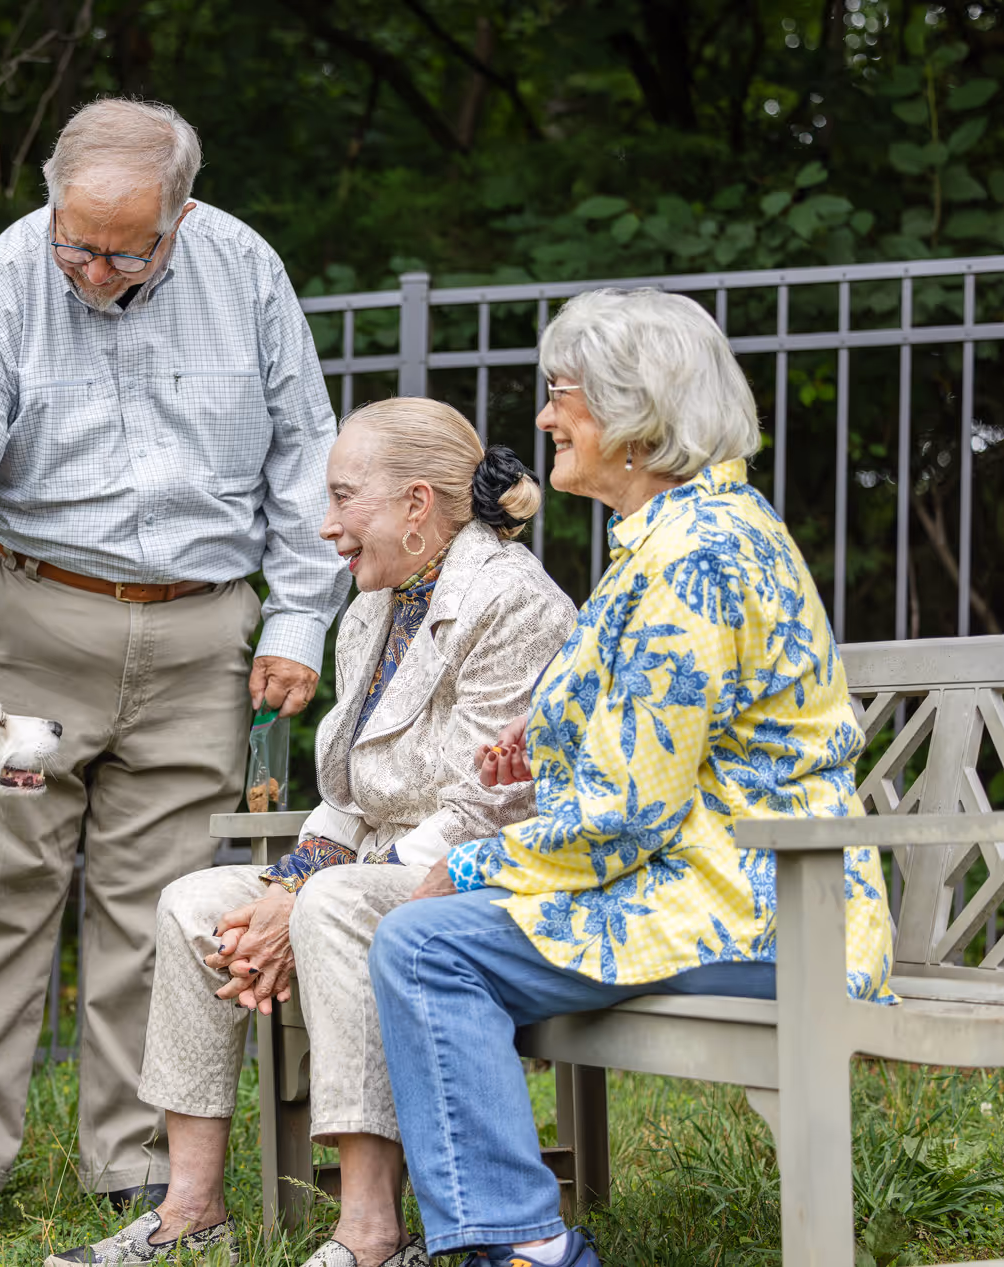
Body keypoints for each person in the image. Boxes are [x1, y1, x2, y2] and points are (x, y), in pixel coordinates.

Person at [0, 98, 351, 1242]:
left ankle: (137, 1160)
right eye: (73, 242)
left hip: (199, 631)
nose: (89, 269)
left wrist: (299, 621)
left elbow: (304, 449)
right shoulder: (6, 278)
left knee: (162, 907)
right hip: (27, 619)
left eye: (122, 249)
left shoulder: (246, 270)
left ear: (180, 216)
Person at [368, 288, 898, 1267]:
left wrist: (481, 867)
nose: (540, 418)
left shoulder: (694, 555)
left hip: (767, 908)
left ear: (634, 413)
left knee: (427, 942)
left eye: (560, 391)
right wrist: (553, 738)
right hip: (725, 890)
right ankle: (512, 1237)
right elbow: (673, 733)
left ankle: (520, 1247)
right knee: (431, 938)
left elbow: (628, 812)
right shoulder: (682, 534)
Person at [46, 397, 576, 1267]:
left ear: (416, 505)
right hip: (370, 867)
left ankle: (371, 1230)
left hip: (480, 871)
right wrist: (284, 888)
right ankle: (191, 1208)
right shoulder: (374, 604)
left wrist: (302, 898)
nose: (324, 527)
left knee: (332, 902)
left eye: (342, 498)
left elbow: (492, 805)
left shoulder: (512, 602)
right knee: (194, 901)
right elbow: (344, 792)